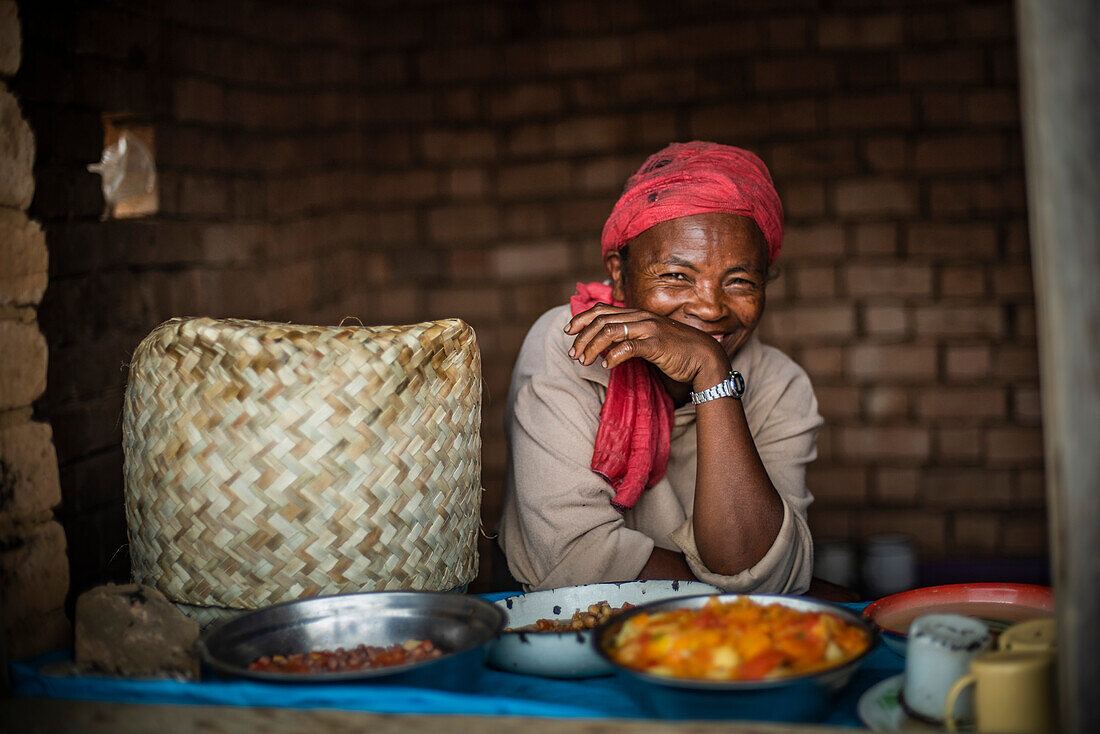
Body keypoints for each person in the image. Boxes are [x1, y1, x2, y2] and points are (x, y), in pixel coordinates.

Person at [496, 141, 824, 594]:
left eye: (740, 281)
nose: (710, 308)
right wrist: (743, 596)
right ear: (619, 272)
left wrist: (712, 374)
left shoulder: (781, 385)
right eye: (676, 276)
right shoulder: (572, 342)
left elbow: (759, 564)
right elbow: (572, 560)